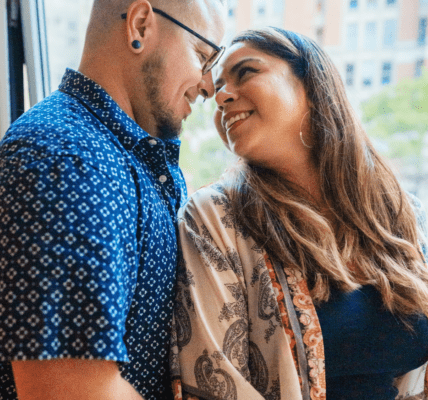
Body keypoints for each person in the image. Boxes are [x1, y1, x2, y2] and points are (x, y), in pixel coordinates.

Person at [0, 1, 225, 399]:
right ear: (140, 25)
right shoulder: (67, 162)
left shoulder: (124, 156)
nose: (208, 86)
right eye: (202, 56)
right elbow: (70, 391)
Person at [170, 27, 428, 400]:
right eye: (215, 91)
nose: (222, 97)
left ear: (311, 83)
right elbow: (214, 383)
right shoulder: (214, 218)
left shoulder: (402, 211)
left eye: (245, 72)